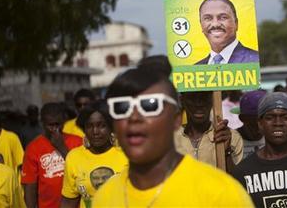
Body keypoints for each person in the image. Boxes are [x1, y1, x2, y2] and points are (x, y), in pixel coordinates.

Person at [92, 60, 253, 207]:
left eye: (150, 106)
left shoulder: (223, 194)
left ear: (175, 119)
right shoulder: (104, 198)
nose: (134, 117)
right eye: (122, 107)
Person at [61, 100, 127, 208]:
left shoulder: (126, 154)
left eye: (102, 126)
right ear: (84, 129)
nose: (95, 131)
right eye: (90, 126)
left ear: (111, 127)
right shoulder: (74, 157)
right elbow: (68, 202)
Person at [21, 102, 82, 208]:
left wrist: (62, 147)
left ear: (63, 122)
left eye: (57, 124)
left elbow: (82, 173)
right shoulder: (33, 148)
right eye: (50, 125)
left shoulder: (77, 142)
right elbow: (30, 185)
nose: (55, 129)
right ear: (43, 123)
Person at [174, 91, 243, 170]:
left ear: (213, 100)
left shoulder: (232, 138)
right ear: (182, 100)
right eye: (192, 97)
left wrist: (227, 152)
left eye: (204, 97)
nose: (199, 104)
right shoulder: (170, 139)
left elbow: (236, 179)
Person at [196, 0, 259, 64]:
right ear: (201, 25)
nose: (215, 24)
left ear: (236, 23)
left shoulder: (255, 60)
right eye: (208, 18)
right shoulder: (195, 68)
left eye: (223, 17)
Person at [234, 90, 267, 159]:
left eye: (267, 119)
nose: (260, 127)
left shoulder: (275, 140)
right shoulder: (231, 141)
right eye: (254, 123)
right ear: (242, 118)